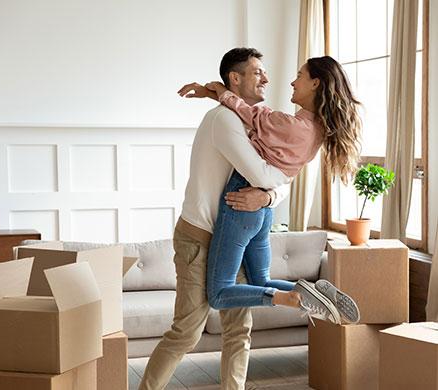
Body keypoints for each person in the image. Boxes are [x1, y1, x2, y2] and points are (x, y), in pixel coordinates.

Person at [138, 48, 341, 390]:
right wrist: (269, 190)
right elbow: (261, 172)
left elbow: (278, 180)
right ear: (236, 78)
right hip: (201, 235)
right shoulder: (224, 120)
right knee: (186, 332)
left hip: (235, 233)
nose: (267, 78)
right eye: (258, 71)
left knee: (238, 329)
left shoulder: (253, 117)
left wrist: (268, 196)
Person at [178, 55, 362, 324]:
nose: (291, 81)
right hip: (263, 211)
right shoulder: (316, 130)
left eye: (299, 75)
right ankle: (317, 293)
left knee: (219, 293)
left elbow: (250, 115)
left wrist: (214, 91)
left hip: (241, 201)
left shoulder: (290, 125)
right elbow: (282, 177)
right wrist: (268, 197)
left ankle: (288, 298)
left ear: (315, 83)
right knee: (260, 279)